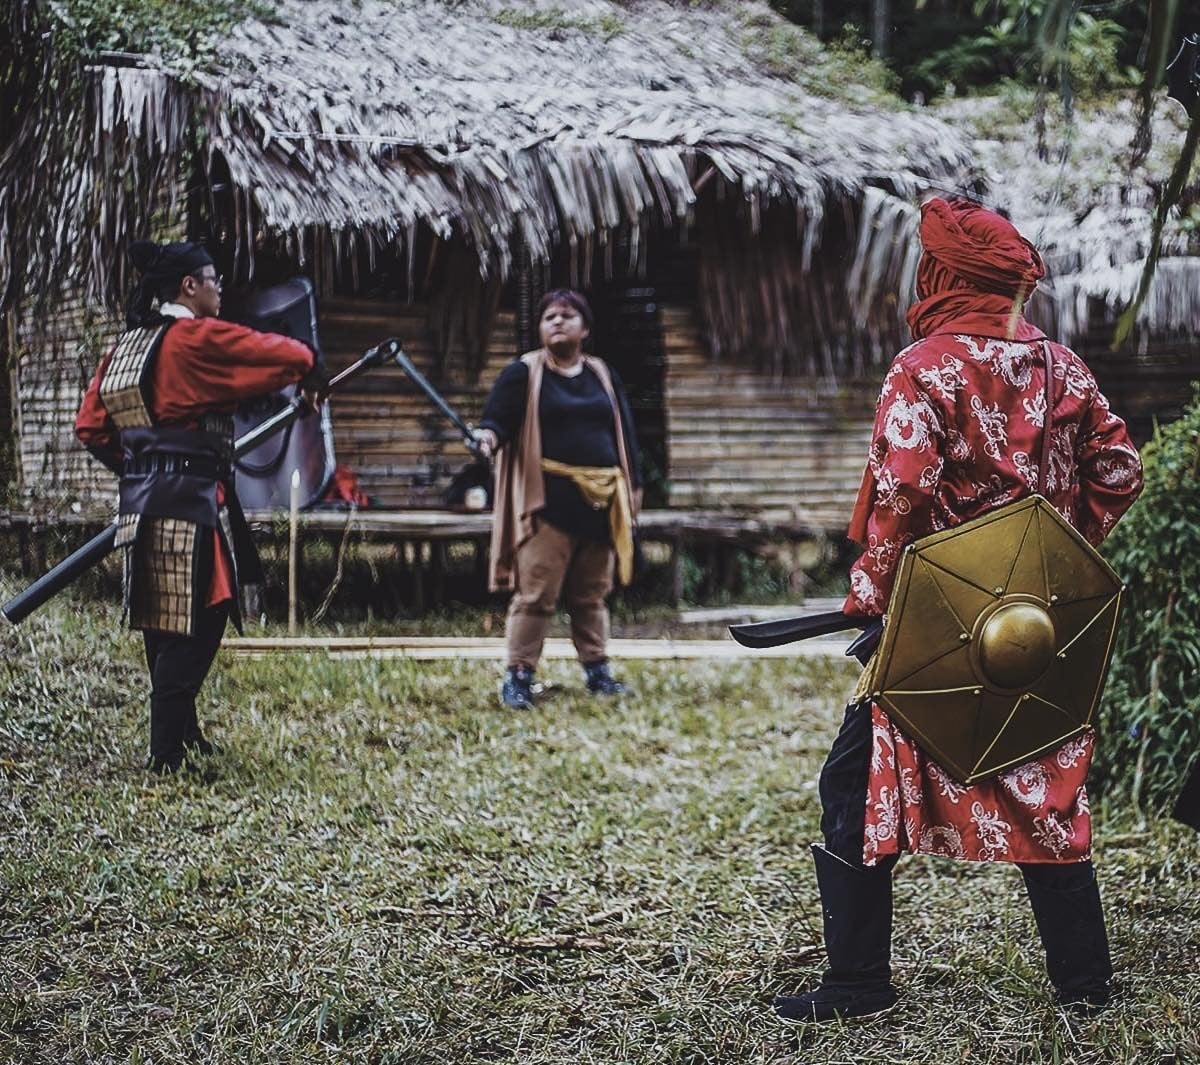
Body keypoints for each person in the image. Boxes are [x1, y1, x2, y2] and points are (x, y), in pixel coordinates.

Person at [773, 197, 1144, 1023]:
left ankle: (858, 985)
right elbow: (1118, 471)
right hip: (1032, 629)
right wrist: (1047, 558)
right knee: (1045, 793)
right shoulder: (1062, 367)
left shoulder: (925, 366)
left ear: (943, 276)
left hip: (936, 630)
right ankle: (1085, 986)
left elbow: (901, 494)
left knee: (850, 784)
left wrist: (870, 594)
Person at [75, 240, 322, 773]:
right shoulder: (196, 338)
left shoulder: (125, 347)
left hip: (141, 507)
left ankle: (183, 735)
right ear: (190, 286)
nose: (219, 288)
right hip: (191, 505)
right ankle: (165, 753)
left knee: (162, 620)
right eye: (213, 279)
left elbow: (91, 428)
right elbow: (290, 355)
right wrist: (311, 368)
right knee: (203, 617)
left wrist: (142, 469)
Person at [472, 289, 641, 709]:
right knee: (535, 595)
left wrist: (633, 490)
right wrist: (486, 438)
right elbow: (497, 420)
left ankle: (598, 671)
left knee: (591, 595)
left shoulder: (602, 373)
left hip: (602, 504)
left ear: (585, 328)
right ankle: (518, 676)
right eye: (550, 317)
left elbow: (626, 434)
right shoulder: (524, 373)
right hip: (548, 505)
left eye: (567, 316)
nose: (558, 322)